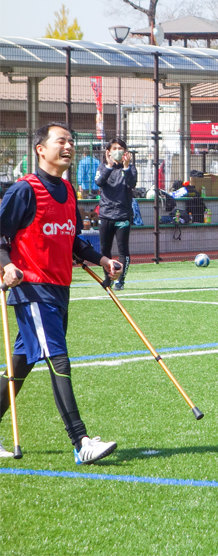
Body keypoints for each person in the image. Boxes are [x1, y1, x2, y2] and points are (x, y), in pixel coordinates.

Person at [0, 122, 122, 463]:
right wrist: (6, 265)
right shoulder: (25, 190)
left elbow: (71, 241)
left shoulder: (69, 192)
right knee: (58, 356)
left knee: (21, 362)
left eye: (71, 141)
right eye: (61, 141)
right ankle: (81, 441)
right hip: (32, 289)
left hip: (59, 288)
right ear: (41, 149)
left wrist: (101, 259)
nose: (68, 146)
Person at [95, 138, 137, 290]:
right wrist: (109, 166)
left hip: (122, 215)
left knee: (122, 249)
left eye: (121, 148)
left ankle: (121, 280)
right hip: (105, 215)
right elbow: (99, 182)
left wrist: (125, 167)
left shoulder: (130, 168)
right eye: (115, 148)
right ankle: (108, 278)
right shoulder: (102, 167)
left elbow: (132, 183)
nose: (118, 151)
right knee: (104, 250)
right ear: (109, 152)